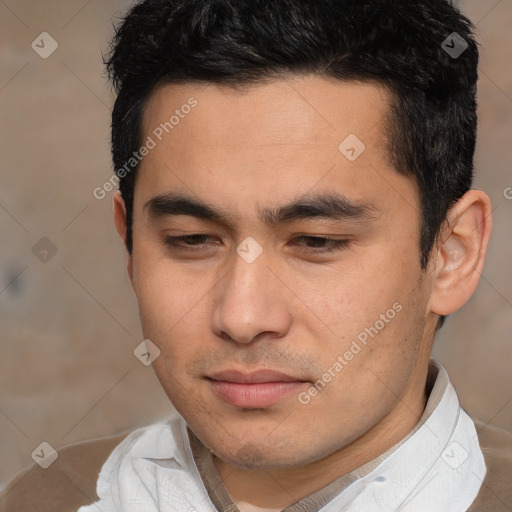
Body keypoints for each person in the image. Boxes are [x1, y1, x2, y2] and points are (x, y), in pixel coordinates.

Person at [2, 0, 511, 510]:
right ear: (130, 242)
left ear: (452, 254)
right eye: (191, 239)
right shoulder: (45, 497)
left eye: (317, 242)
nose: (242, 318)